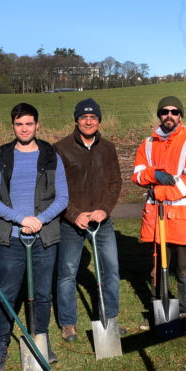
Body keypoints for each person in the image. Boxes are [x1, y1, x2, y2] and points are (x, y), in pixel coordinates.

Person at [0, 103, 68, 370]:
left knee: (43, 293)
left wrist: (39, 220)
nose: (24, 129)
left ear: (37, 125)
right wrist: (21, 219)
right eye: (19, 124)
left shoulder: (51, 155)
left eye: (29, 124)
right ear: (13, 126)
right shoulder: (2, 156)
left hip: (43, 237)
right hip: (12, 237)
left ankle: (40, 341)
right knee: (7, 293)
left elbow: (63, 197)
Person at [132, 96, 186, 334]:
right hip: (158, 217)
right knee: (158, 267)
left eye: (174, 111)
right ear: (159, 115)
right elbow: (138, 174)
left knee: (185, 269)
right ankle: (160, 311)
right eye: (164, 111)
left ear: (180, 115)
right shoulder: (148, 143)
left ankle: (185, 310)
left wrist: (160, 190)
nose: (169, 115)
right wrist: (154, 174)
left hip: (184, 217)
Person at [53, 98, 125, 342]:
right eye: (84, 117)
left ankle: (110, 318)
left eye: (93, 117)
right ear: (76, 120)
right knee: (67, 272)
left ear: (99, 121)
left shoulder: (108, 148)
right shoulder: (61, 148)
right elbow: (54, 188)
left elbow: (116, 182)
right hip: (72, 222)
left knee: (111, 270)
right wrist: (74, 215)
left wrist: (104, 210)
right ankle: (68, 323)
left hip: (102, 221)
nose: (88, 121)